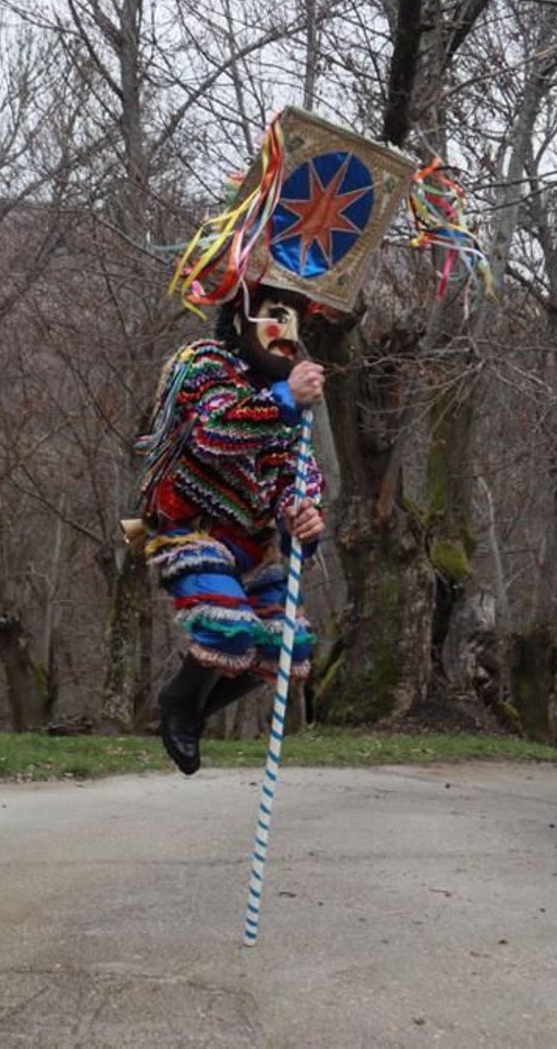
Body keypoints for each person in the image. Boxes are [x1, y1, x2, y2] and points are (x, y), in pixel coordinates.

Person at [136, 284, 328, 775]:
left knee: (288, 646)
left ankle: (195, 710)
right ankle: (179, 702)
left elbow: (296, 474)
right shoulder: (203, 362)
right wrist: (285, 398)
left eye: (295, 322)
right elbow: (213, 431)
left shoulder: (291, 401)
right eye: (275, 316)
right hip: (190, 529)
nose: (287, 332)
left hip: (252, 545)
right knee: (226, 626)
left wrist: (302, 516)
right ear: (242, 317)